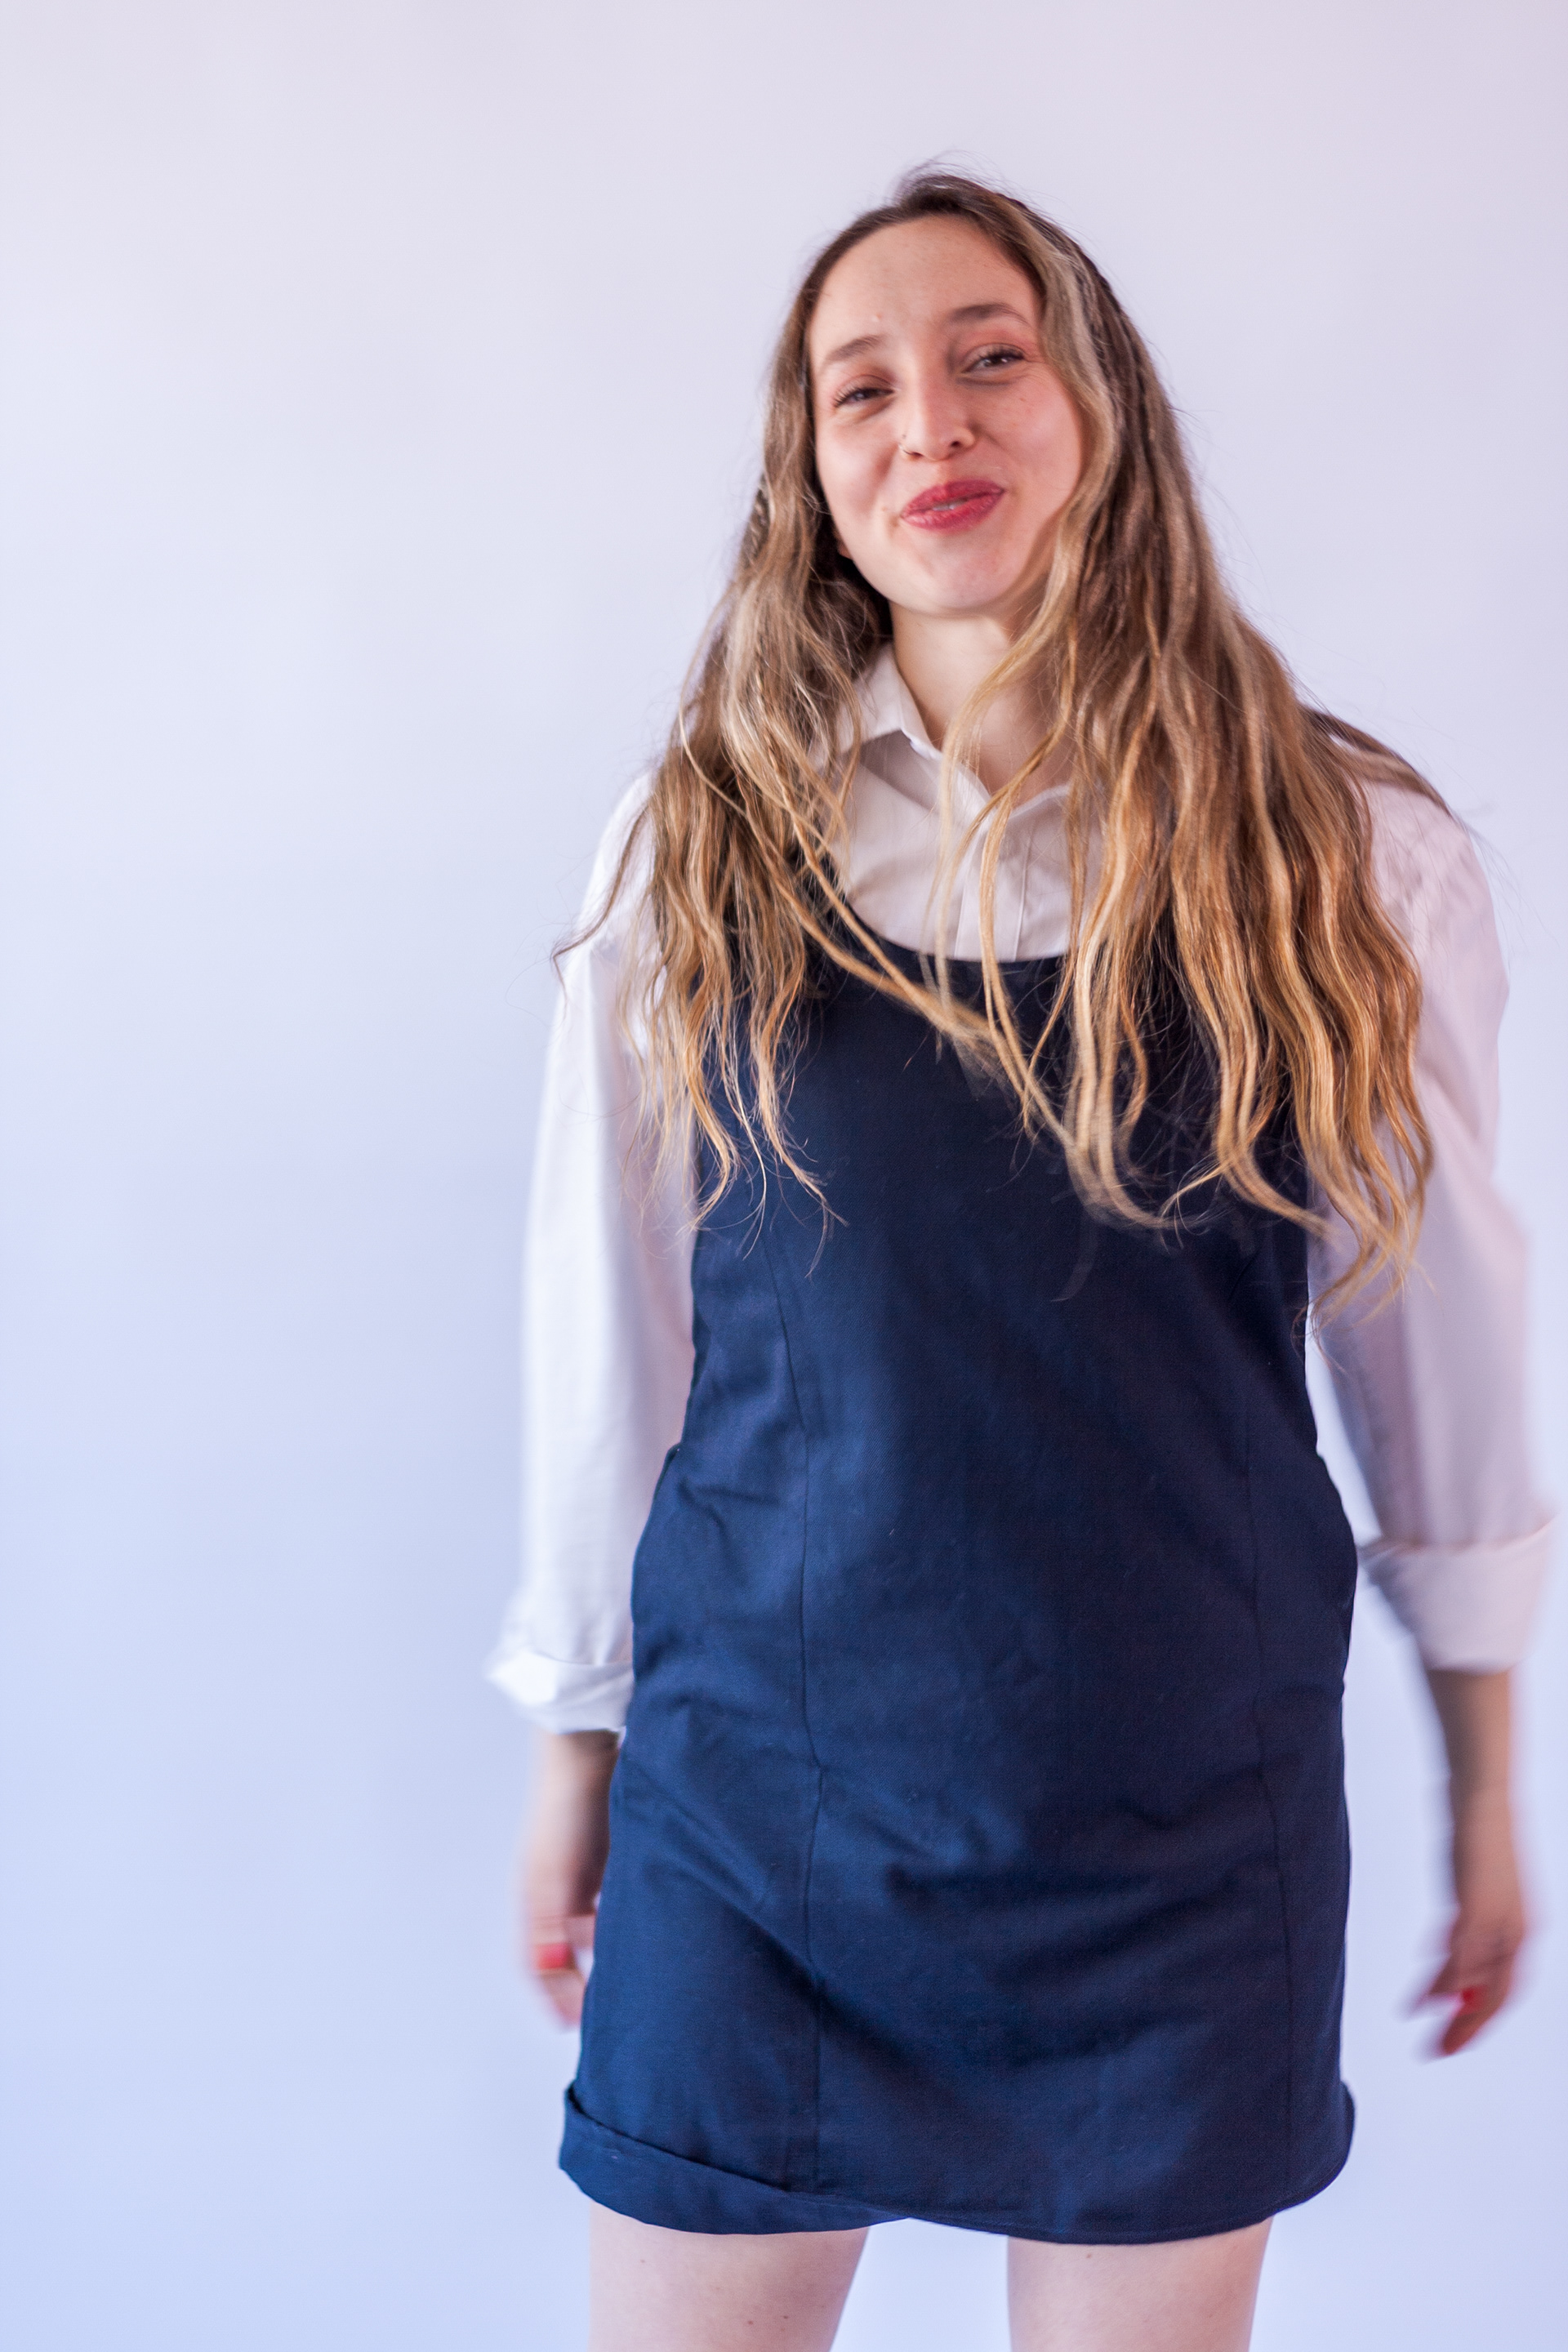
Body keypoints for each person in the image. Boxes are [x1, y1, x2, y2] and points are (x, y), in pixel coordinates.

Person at [490, 172, 1550, 2352]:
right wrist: (574, 1756)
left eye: (991, 355)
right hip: (761, 1823)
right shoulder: (705, 844)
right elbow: (613, 1337)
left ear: (1100, 407)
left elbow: (1433, 1336)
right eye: (860, 388)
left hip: (1182, 1828)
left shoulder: (1341, 852)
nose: (932, 422)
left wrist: (1484, 1772)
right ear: (812, 474)